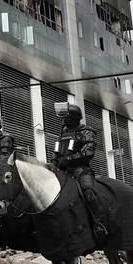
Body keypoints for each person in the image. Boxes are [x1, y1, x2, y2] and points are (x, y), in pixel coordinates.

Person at [53, 103, 109, 242]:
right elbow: (56, 152)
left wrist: (69, 159)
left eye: (66, 118)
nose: (64, 121)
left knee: (88, 191)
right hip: (62, 171)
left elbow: (88, 151)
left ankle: (99, 223)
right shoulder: (63, 134)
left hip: (80, 170)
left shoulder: (86, 131)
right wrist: (54, 162)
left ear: (74, 118)